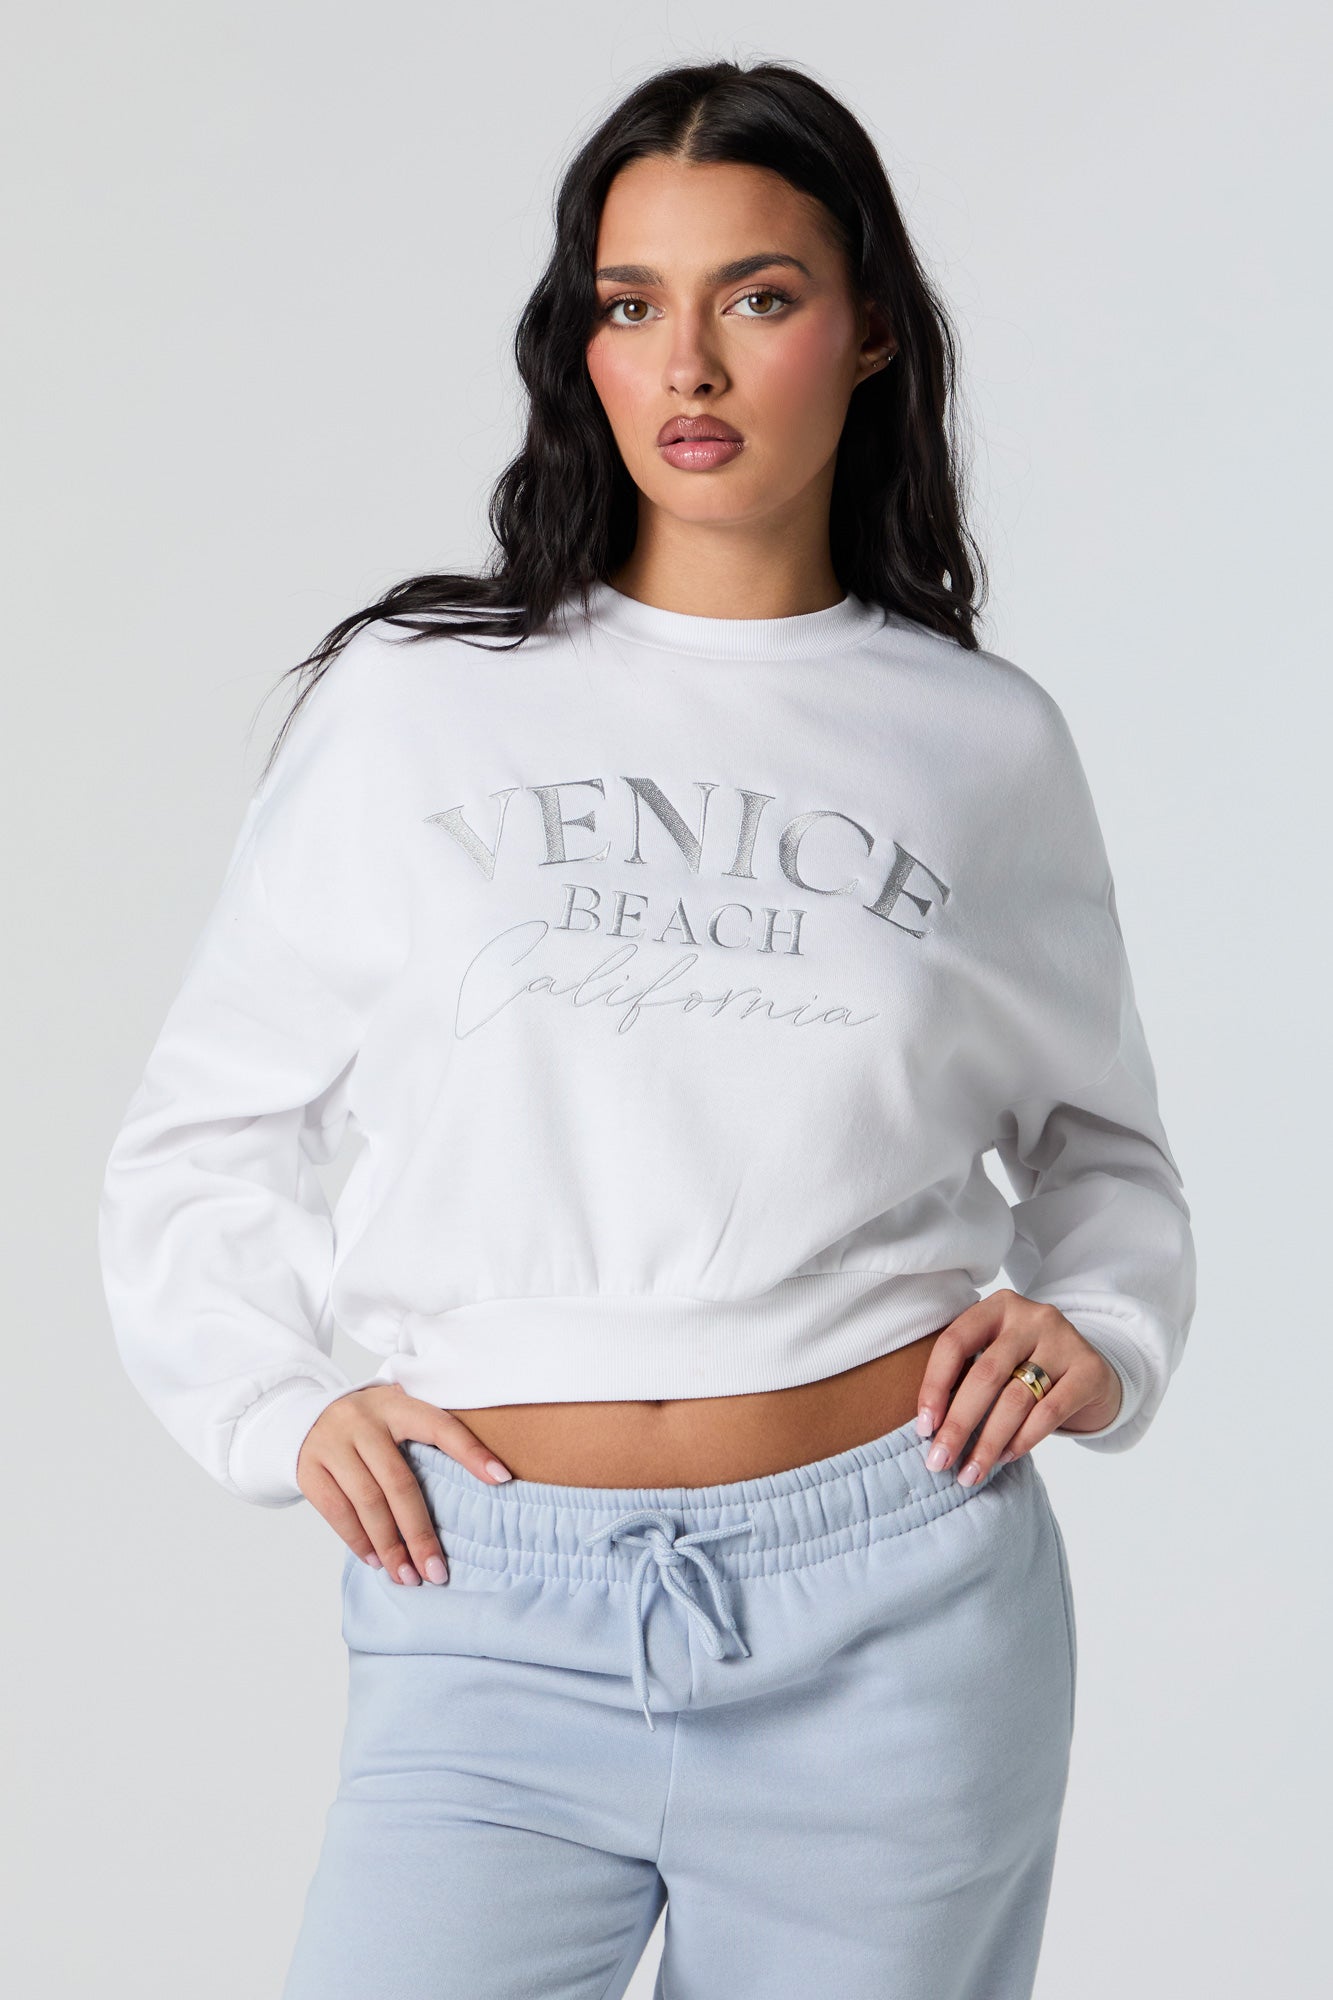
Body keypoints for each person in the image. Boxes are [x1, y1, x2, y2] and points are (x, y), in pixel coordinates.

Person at [97, 55, 1197, 2000]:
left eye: (756, 296)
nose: (685, 363)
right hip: (486, 1609)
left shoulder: (977, 744)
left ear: (868, 330)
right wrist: (275, 1406)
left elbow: (1102, 1150)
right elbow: (207, 1131)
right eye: (631, 303)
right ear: (581, 344)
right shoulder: (417, 703)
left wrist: (1097, 1331)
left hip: (899, 1616)